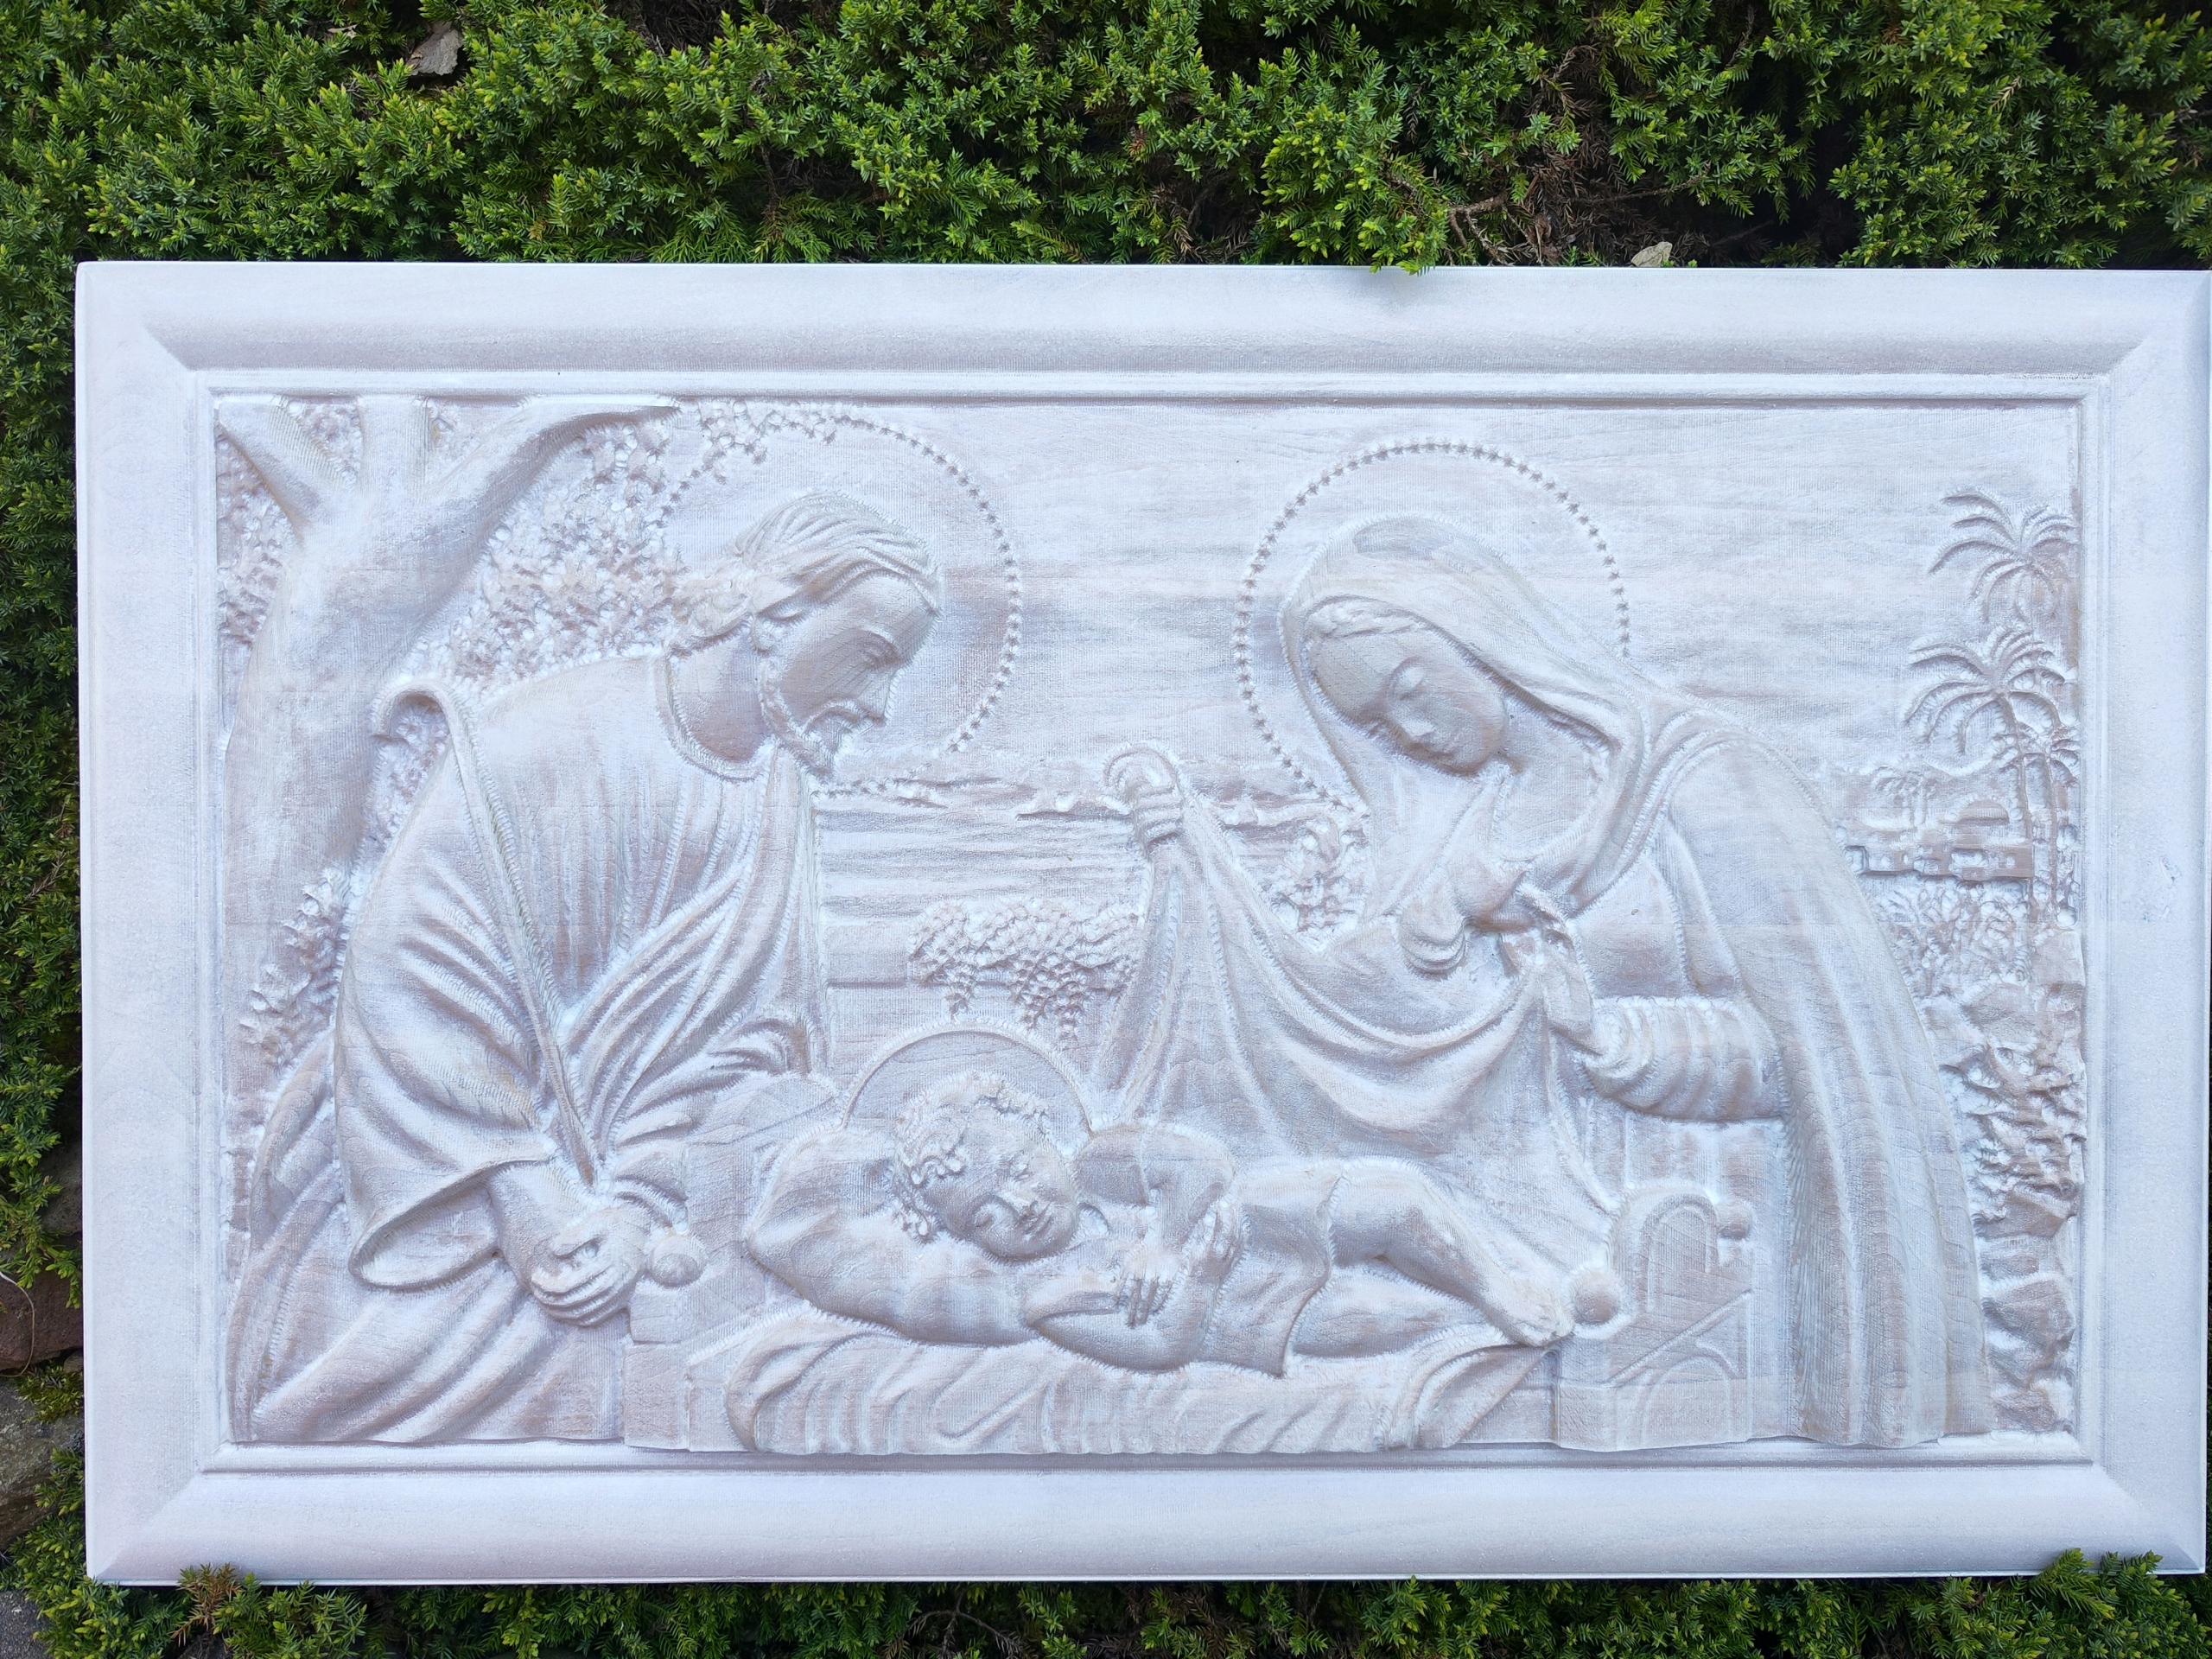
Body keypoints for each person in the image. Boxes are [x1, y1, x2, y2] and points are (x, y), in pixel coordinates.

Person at [1098, 515, 1991, 1448]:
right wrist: (1197, 873)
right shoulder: (1465, 832)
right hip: (1522, 1221)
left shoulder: (1706, 789)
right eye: (1379, 726)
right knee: (1302, 1302)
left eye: (1411, 691)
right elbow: (1366, 1015)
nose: (1411, 735)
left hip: (1690, 1231)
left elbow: (1805, 1064)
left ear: (1480, 632)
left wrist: (1607, 1037)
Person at [230, 491, 942, 1443]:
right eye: (871, 657)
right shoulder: (549, 738)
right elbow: (411, 978)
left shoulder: (776, 796)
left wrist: (638, 1206)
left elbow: (753, 1044)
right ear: (775, 618)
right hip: (455, 1191)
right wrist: (526, 1192)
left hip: (640, 1220)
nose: (877, 705)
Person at [748, 1069, 1572, 1376]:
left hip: (1253, 1218)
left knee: (1391, 1195)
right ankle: (1474, 1321)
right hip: (1239, 1308)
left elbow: (1199, 1164)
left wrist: (1165, 1245)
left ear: (1045, 1133)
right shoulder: (1045, 1293)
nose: (1021, 1205)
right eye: (985, 1212)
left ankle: (1495, 1285)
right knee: (1374, 1314)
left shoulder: (1100, 1162)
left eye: (1021, 1170)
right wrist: (1197, 1279)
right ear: (965, 1237)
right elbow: (1159, 1348)